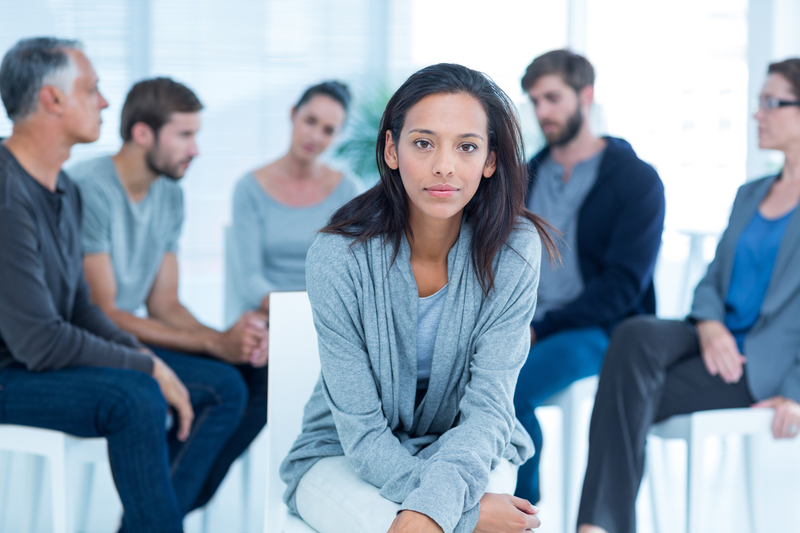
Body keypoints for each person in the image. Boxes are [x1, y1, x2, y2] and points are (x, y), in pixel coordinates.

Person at [280, 63, 557, 533]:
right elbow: (362, 434)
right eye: (423, 143)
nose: (444, 165)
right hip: (342, 454)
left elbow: (489, 410)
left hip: (472, 449)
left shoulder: (515, 250)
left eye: (466, 146)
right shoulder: (337, 257)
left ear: (490, 160)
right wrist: (458, 513)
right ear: (392, 149)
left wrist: (438, 502)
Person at [0, 37, 245, 532]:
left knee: (206, 383)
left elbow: (79, 308)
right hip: (11, 371)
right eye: (92, 90)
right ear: (52, 100)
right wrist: (145, 365)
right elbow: (40, 341)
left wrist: (148, 359)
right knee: (133, 395)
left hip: (35, 362)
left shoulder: (61, 188)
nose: (105, 102)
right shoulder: (7, 195)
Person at [577, 58, 800, 533]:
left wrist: (796, 395)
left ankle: (595, 528)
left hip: (759, 366)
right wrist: (711, 323)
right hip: (710, 337)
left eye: (771, 103)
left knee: (622, 394)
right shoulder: (751, 193)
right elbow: (712, 278)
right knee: (635, 334)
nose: (757, 114)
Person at [68, 77, 266, 511]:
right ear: (142, 133)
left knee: (258, 375)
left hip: (130, 334)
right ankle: (157, 519)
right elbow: (103, 312)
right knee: (223, 388)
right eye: (185, 135)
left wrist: (229, 339)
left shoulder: (170, 195)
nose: (194, 149)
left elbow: (165, 304)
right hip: (92, 339)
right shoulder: (89, 187)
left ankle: (161, 515)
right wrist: (214, 343)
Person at [512, 49, 666, 504]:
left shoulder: (635, 181)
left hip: (597, 331)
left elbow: (622, 286)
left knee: (509, 391)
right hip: (526, 323)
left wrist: (541, 329)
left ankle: (520, 512)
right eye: (535, 101)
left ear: (586, 95)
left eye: (553, 98)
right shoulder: (526, 176)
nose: (543, 112)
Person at [229, 81, 362, 321]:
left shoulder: (348, 190)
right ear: (293, 114)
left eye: (328, 130)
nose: (315, 136)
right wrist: (290, 314)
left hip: (330, 318)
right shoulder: (249, 189)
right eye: (310, 121)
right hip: (268, 314)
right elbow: (250, 277)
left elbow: (353, 272)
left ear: (338, 136)